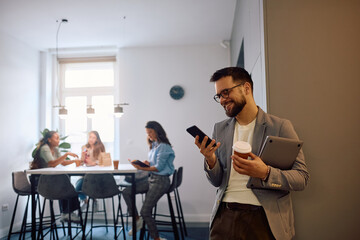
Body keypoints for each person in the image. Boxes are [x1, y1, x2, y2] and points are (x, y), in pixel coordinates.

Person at [194, 67, 309, 240]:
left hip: (263, 218)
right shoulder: (220, 128)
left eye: (226, 92)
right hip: (224, 216)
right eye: (219, 96)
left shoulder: (279, 126)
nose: (222, 100)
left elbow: (301, 178)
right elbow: (217, 181)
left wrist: (265, 173)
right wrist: (210, 160)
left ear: (246, 88)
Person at [122, 121, 175, 240]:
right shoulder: (155, 145)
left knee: (145, 211)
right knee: (126, 192)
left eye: (150, 132)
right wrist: (146, 163)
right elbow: (155, 163)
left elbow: (159, 168)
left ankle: (156, 238)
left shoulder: (164, 146)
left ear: (157, 131)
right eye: (147, 133)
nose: (149, 135)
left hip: (161, 181)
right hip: (152, 179)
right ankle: (137, 220)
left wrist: (142, 167)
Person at [31, 130, 81, 223]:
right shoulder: (44, 148)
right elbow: (52, 164)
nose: (59, 140)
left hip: (50, 179)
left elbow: (63, 163)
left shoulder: (56, 149)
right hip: (41, 181)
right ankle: (67, 213)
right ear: (49, 140)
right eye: (56, 138)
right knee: (66, 185)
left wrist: (75, 161)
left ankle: (67, 213)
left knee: (67, 185)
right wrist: (66, 154)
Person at [75, 131, 106, 210]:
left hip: (97, 175)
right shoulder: (84, 147)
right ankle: (85, 200)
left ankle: (94, 199)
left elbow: (104, 161)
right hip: (85, 174)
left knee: (79, 186)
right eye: (90, 137)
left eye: (93, 137)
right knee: (77, 187)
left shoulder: (100, 147)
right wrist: (82, 158)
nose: (91, 139)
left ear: (97, 139)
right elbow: (82, 162)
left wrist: (94, 163)